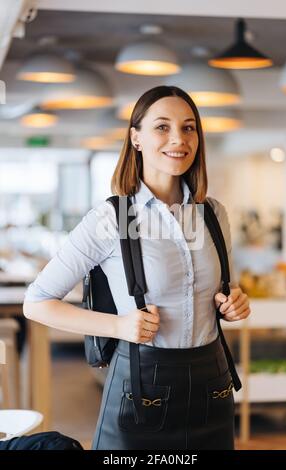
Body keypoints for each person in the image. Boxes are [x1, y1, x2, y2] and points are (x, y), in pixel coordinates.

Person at [23, 85, 251, 450]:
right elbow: (36, 302)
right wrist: (117, 325)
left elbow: (224, 288)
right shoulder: (112, 219)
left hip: (213, 382)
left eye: (189, 127)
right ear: (136, 138)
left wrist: (233, 300)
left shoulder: (212, 214)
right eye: (162, 126)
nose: (178, 138)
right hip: (142, 389)